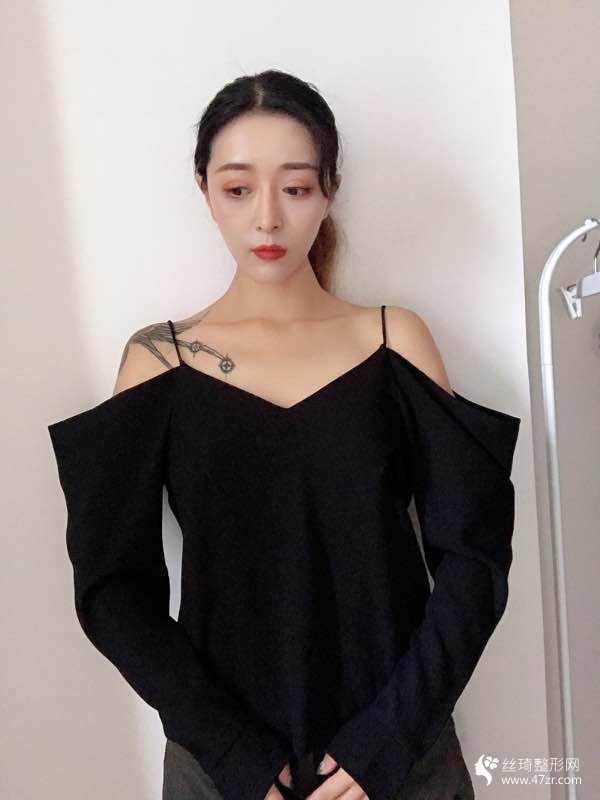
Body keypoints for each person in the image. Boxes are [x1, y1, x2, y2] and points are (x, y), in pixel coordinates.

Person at [48, 69, 521, 800]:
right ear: (204, 190)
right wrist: (230, 748)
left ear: (329, 190)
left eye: (295, 188)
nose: (267, 219)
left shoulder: (394, 342)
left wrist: (387, 741)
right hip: (221, 769)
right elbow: (112, 591)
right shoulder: (159, 362)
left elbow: (474, 563)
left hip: (402, 760)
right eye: (239, 189)